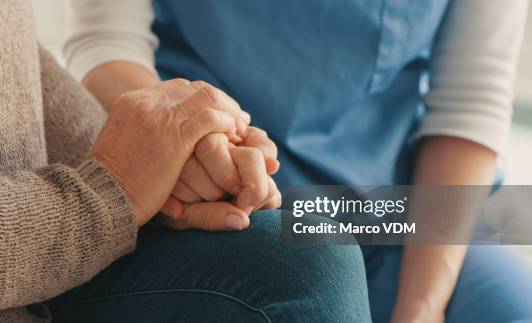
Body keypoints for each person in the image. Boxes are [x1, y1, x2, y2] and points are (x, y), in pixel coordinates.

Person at [64, 0, 532, 322]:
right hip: (226, 197)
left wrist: (421, 308)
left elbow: (469, 102)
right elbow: (106, 42)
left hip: (398, 208)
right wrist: (186, 146)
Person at [0, 1, 370, 322]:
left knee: (318, 244)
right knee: (309, 251)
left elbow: (12, 62)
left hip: (395, 194)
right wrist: (116, 186)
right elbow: (108, 38)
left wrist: (164, 169)